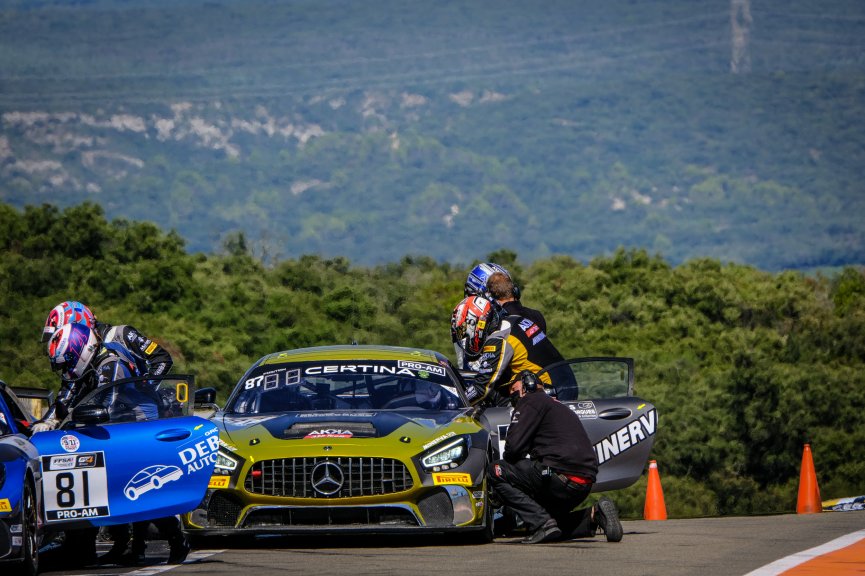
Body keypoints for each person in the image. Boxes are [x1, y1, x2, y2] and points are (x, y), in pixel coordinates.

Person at [34, 318, 188, 565]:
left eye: (67, 363)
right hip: (120, 428)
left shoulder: (110, 364)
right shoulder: (90, 365)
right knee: (116, 488)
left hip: (138, 428)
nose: (65, 370)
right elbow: (67, 398)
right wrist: (47, 422)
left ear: (79, 351)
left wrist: (72, 419)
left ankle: (175, 539)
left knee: (140, 489)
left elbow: (104, 404)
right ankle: (128, 547)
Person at [488, 370, 623, 544]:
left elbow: (513, 450)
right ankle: (594, 515)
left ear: (526, 384)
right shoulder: (557, 406)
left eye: (513, 389)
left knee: (496, 471)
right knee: (550, 525)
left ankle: (542, 523)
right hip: (583, 484)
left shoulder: (530, 401)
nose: (511, 394)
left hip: (558, 476)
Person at [451, 294, 564, 406]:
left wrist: (455, 403)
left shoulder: (497, 339)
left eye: (464, 332)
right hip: (562, 379)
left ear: (475, 324)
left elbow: (481, 388)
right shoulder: (513, 319)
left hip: (551, 392)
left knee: (490, 395)